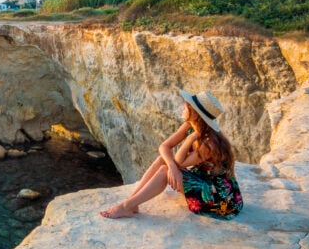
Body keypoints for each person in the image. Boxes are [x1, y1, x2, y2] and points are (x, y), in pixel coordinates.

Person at [100, 90, 243, 220]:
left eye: (187, 106)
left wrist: (188, 141)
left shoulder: (209, 143)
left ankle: (126, 206)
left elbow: (179, 162)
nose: (183, 107)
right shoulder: (189, 126)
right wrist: (171, 165)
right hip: (204, 179)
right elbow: (164, 146)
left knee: (165, 171)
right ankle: (132, 203)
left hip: (219, 198)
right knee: (163, 160)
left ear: (195, 113)